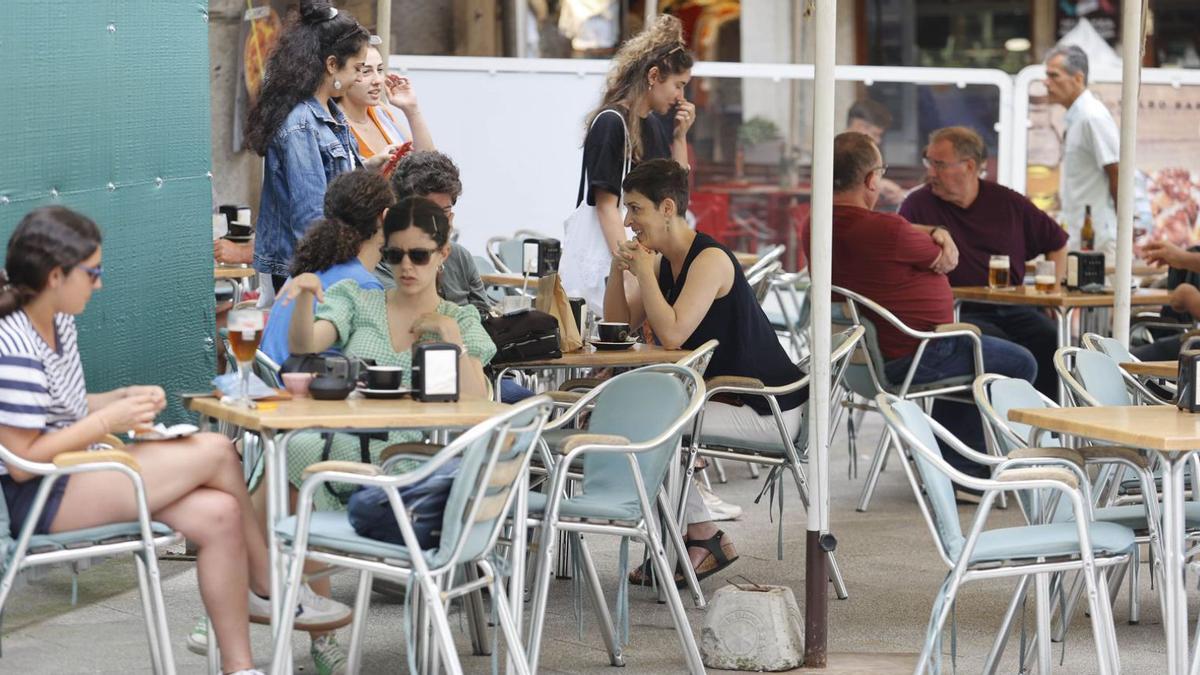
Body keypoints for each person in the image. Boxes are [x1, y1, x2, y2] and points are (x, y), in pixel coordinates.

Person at [0, 207, 351, 675]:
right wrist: (111, 416)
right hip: (41, 494)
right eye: (93, 272)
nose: (99, 284)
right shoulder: (13, 343)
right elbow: (22, 461)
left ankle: (240, 667)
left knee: (221, 513)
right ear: (56, 275)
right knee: (216, 450)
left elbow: (60, 408)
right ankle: (268, 582)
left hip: (77, 471)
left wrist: (118, 397)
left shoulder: (58, 322)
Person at [607, 158, 812, 582]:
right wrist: (617, 269)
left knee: (652, 427)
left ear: (667, 208)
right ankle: (692, 537)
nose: (628, 222)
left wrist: (644, 272)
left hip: (767, 407)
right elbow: (619, 327)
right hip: (726, 396)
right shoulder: (665, 263)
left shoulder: (710, 259)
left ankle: (701, 535)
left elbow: (672, 335)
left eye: (635, 209)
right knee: (646, 422)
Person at [819, 132, 1037, 482]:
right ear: (872, 179)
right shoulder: (888, 230)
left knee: (973, 348)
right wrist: (938, 233)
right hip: (916, 353)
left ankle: (949, 461)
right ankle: (962, 467)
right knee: (1016, 359)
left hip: (862, 362)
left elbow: (901, 231)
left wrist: (934, 227)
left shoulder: (817, 224)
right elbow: (944, 260)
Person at [284, 197, 495, 499]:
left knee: (290, 452)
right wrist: (304, 297)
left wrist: (450, 334)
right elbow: (304, 347)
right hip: (347, 444)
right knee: (289, 450)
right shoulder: (359, 300)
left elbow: (476, 400)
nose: (406, 266)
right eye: (395, 255)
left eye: (419, 256)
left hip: (416, 462)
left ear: (443, 254)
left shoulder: (460, 319)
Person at [899, 126, 1068, 399]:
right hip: (955, 311)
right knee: (1002, 348)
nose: (930, 172)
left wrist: (1055, 291)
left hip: (1013, 307)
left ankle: (1042, 423)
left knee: (1054, 341)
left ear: (969, 166)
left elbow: (1057, 243)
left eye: (938, 164)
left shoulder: (1008, 202)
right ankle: (990, 428)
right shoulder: (917, 205)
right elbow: (899, 248)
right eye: (928, 162)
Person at [245, 1, 388, 295]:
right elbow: (309, 217)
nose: (358, 79)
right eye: (358, 69)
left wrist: (368, 166)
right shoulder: (301, 123)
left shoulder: (330, 113)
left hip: (326, 263)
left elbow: (331, 179)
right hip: (309, 271)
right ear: (332, 64)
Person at [561, 14, 696, 314]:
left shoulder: (656, 126)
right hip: (614, 264)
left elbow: (676, 197)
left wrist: (680, 138)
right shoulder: (611, 124)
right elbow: (607, 207)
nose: (680, 96)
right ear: (653, 77)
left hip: (640, 260)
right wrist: (630, 268)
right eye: (677, 85)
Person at [259, 169, 395, 366]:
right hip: (301, 390)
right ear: (386, 217)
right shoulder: (363, 285)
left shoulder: (310, 267)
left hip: (271, 385)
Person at [373, 151, 490, 317]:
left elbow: (485, 315)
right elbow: (412, 317)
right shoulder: (380, 267)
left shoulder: (459, 256)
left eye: (444, 211)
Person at [1044, 44, 1120, 259]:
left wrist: (1124, 229)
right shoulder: (1077, 117)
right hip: (1081, 236)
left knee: (1104, 293)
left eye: (1053, 75)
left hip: (1100, 239)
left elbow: (1117, 171)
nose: (1046, 82)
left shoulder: (1092, 116)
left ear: (1078, 78)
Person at [340, 43, 435, 159]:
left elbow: (428, 162)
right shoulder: (334, 124)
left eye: (380, 70)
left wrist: (411, 109)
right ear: (341, 74)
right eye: (366, 72)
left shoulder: (381, 112)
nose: (378, 80)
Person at [846, 99, 905, 208]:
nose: (878, 140)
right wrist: (877, 185)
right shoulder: (834, 155)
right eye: (875, 134)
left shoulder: (870, 156)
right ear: (860, 126)